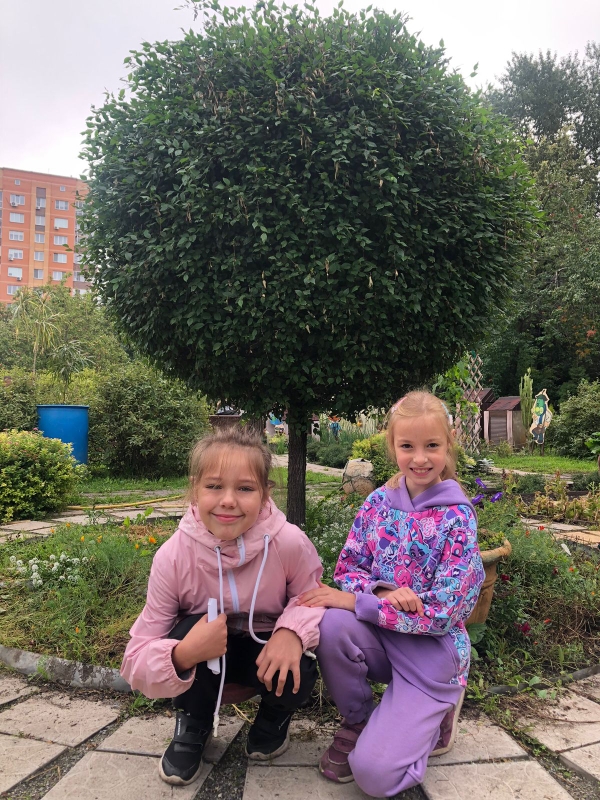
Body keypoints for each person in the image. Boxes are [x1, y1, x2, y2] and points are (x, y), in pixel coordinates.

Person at [301, 390, 485, 797]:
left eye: (432, 445)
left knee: (373, 776)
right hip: (383, 639)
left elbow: (445, 612)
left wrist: (363, 603)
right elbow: (348, 569)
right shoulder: (377, 504)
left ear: (449, 443)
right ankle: (359, 720)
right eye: (407, 447)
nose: (420, 459)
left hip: (431, 656)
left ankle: (436, 714)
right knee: (332, 624)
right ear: (393, 446)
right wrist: (381, 591)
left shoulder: (458, 517)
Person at [121, 426, 324, 787]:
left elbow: (312, 597)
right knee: (189, 629)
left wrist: (292, 633)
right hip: (204, 667)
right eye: (214, 486)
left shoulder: (289, 543)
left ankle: (272, 719)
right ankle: (193, 724)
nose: (228, 500)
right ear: (195, 489)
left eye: (245, 488)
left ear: (265, 494)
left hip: (262, 656)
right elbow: (135, 659)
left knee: (302, 659)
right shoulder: (173, 557)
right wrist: (183, 654)